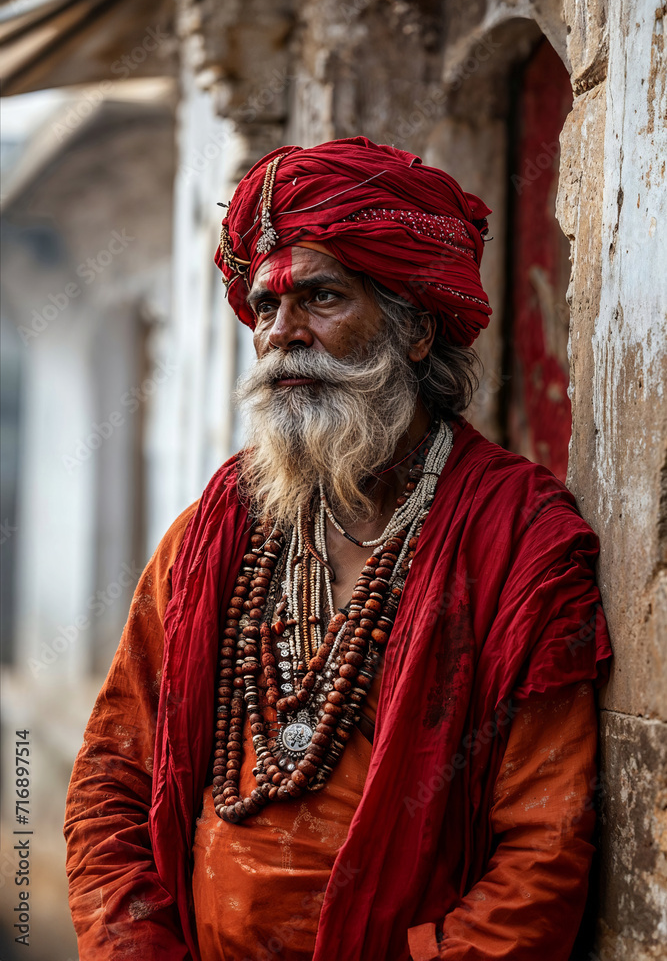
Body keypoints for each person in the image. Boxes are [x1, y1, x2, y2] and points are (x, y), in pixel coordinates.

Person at [64, 136, 612, 961]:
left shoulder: (517, 539)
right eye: (265, 308)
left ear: (416, 329)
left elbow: (542, 850)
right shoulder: (214, 530)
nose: (283, 333)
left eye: (320, 297)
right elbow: (110, 781)